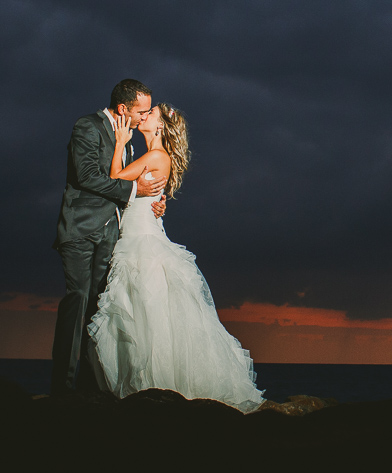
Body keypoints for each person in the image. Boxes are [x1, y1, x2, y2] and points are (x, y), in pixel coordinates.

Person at [87, 102, 266, 412]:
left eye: (151, 113)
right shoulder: (150, 156)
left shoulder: (155, 155)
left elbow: (115, 178)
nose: (145, 115)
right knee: (143, 316)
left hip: (142, 243)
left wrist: (118, 142)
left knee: (145, 317)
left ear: (159, 127)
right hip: (140, 235)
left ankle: (152, 393)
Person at [50, 79, 168, 396]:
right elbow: (87, 176)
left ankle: (91, 389)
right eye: (141, 112)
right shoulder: (87, 127)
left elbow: (128, 182)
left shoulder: (127, 141)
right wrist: (135, 190)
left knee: (99, 310)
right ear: (122, 109)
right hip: (80, 230)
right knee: (76, 303)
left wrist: (151, 201)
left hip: (112, 235)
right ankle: (61, 390)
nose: (145, 117)